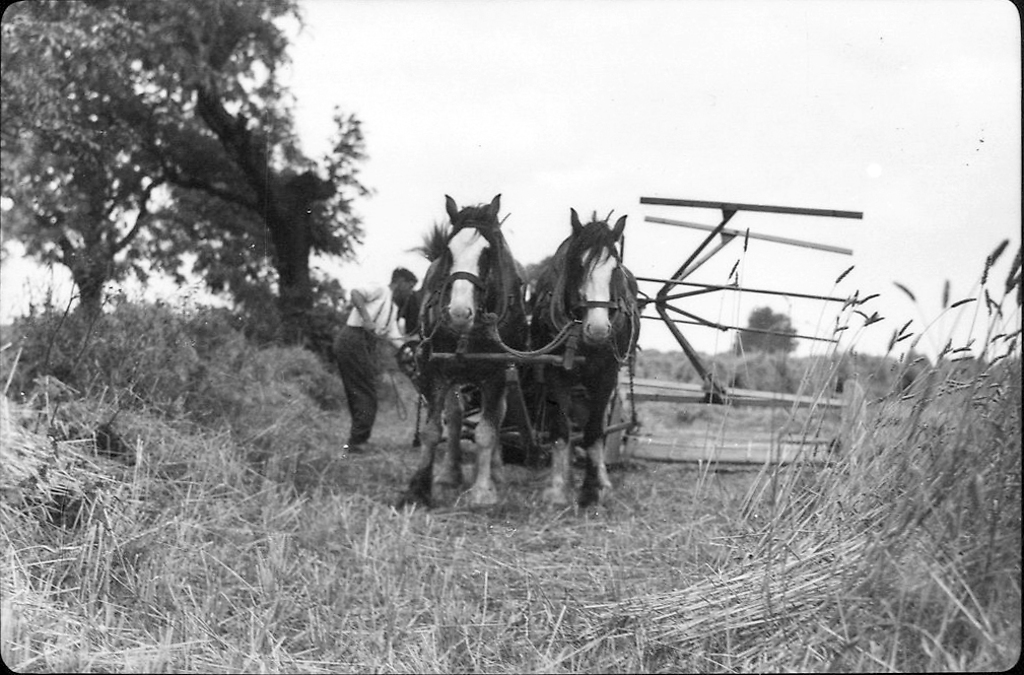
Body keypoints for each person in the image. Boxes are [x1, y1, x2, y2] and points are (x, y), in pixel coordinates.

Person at [334, 267, 419, 453]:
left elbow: (393, 335)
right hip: (353, 338)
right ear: (400, 282)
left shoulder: (393, 307)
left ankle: (358, 438)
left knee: (362, 390)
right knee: (365, 390)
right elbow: (355, 293)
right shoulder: (380, 289)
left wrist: (410, 352)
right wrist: (366, 318)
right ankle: (357, 442)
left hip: (365, 344)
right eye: (410, 287)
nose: (410, 292)